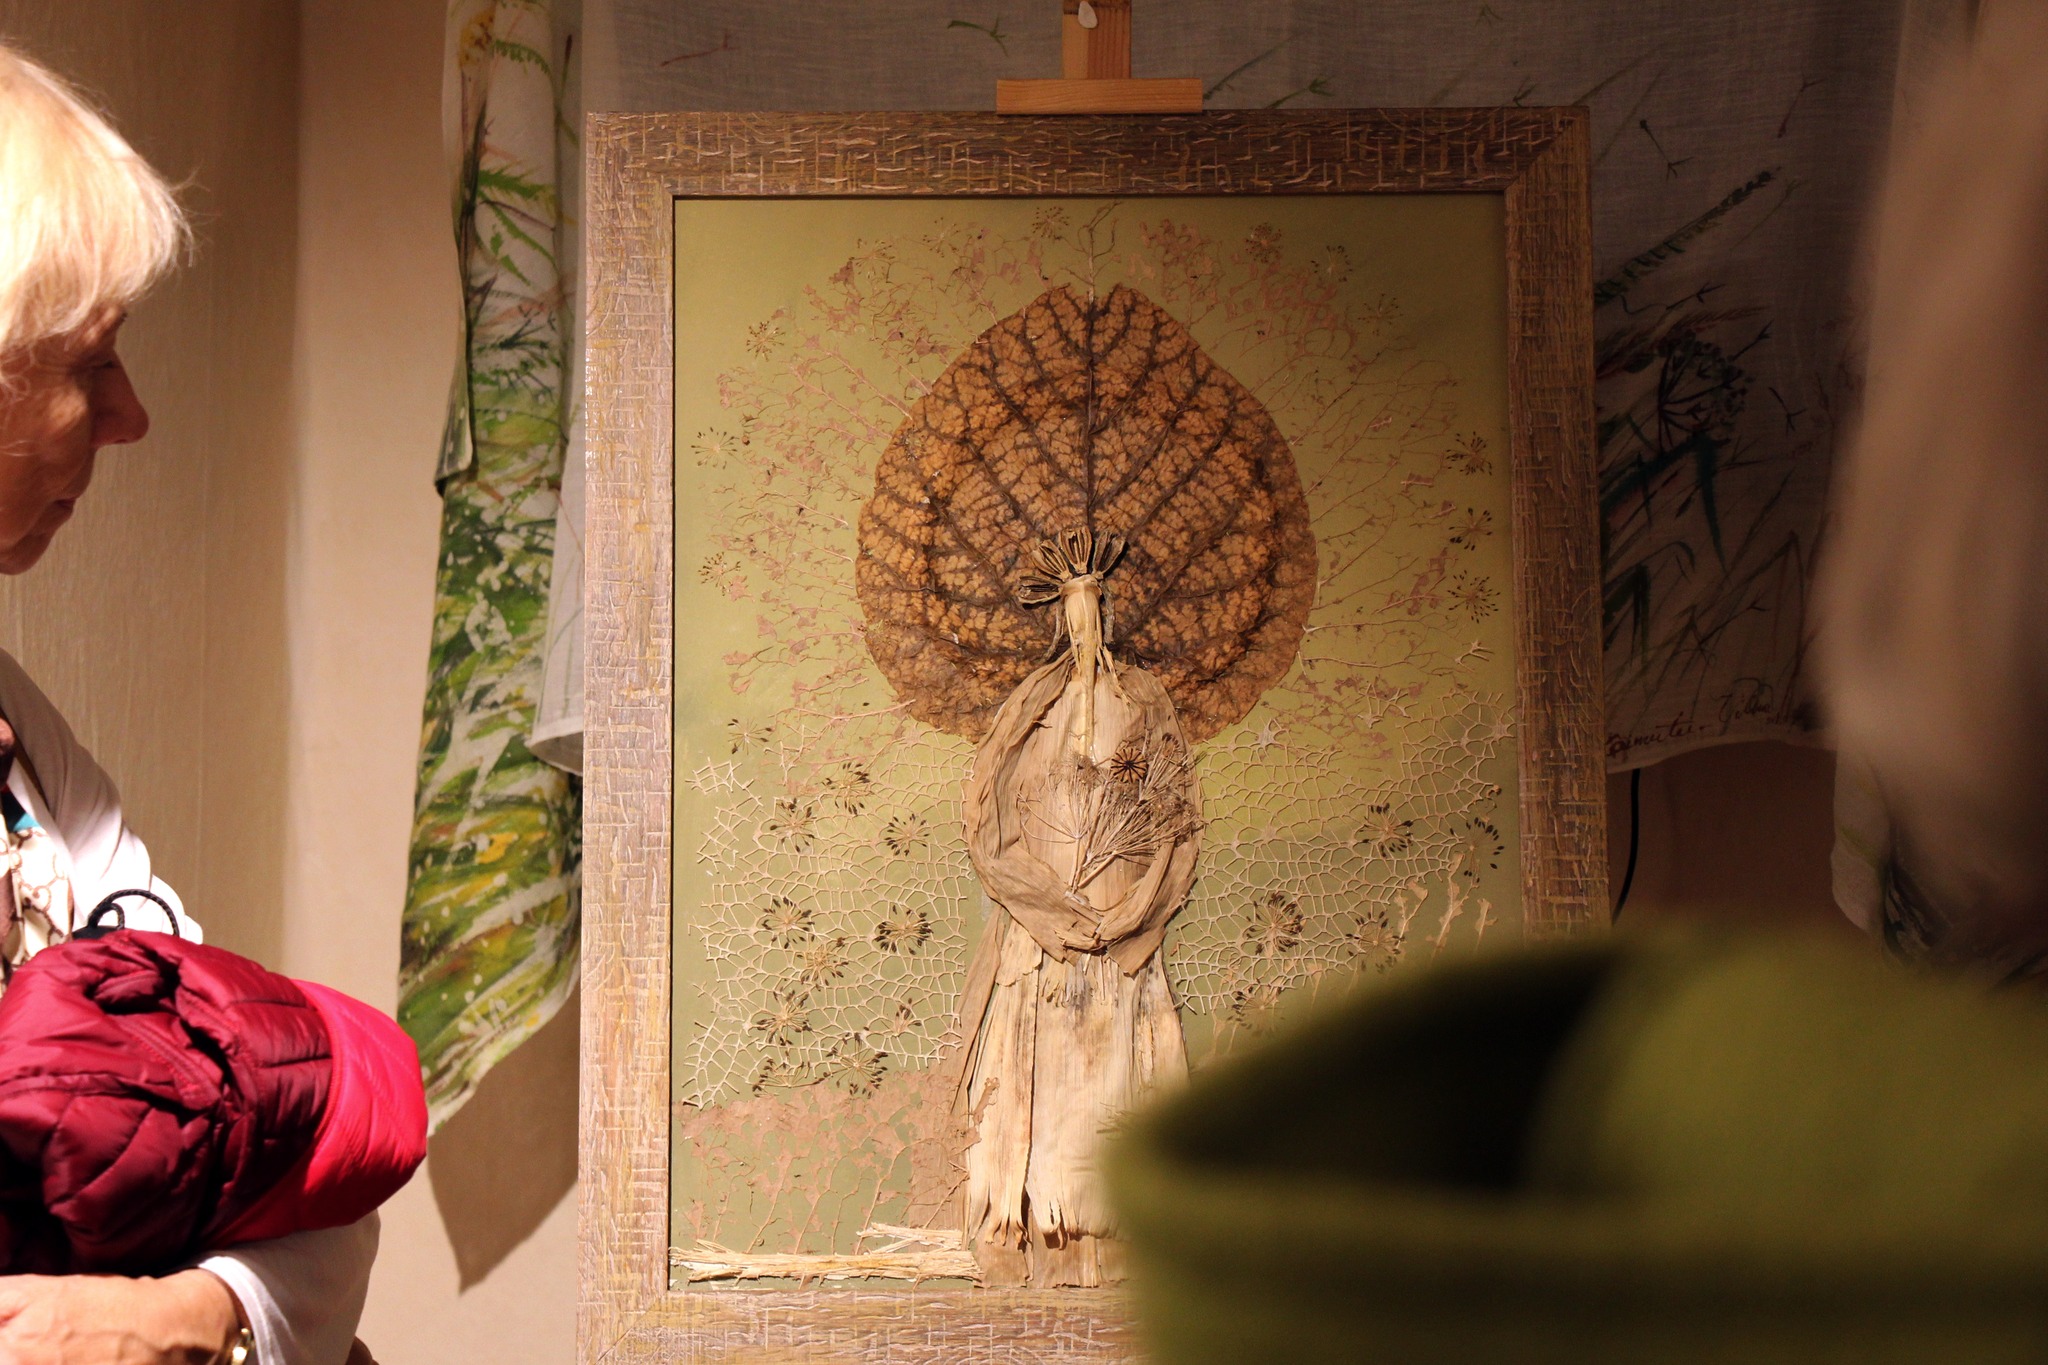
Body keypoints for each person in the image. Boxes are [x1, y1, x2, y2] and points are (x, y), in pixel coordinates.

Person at [0, 44, 380, 1365]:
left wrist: (189, 1319)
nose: (129, 418)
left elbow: (297, 1132)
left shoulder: (23, 743)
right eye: (91, 362)